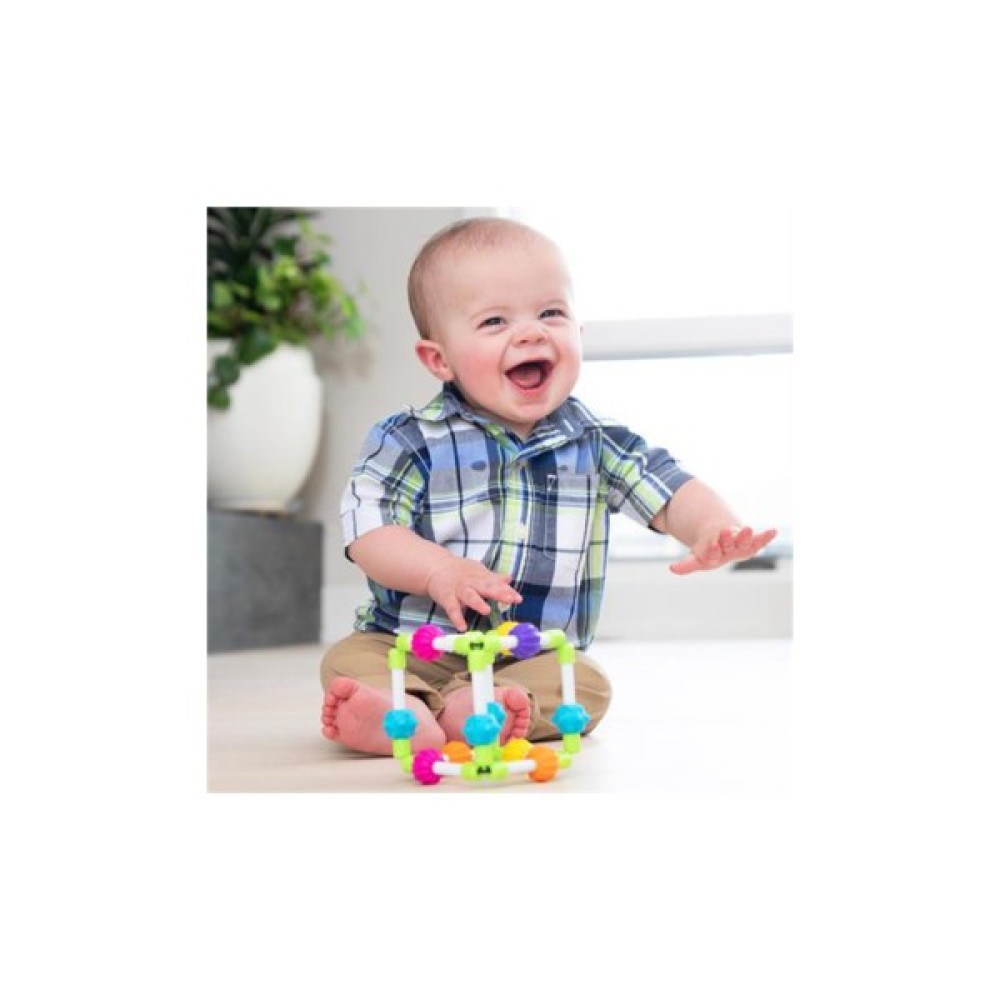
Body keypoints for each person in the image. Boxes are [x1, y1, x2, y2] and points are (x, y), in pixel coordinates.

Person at [320, 217, 777, 755]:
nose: (531, 333)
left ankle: (466, 709)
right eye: (495, 321)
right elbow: (369, 531)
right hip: (413, 643)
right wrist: (439, 570)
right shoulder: (410, 439)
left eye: (551, 313)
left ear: (578, 333)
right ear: (439, 359)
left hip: (527, 655)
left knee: (586, 684)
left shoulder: (598, 443)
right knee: (349, 659)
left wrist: (712, 528)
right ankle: (403, 704)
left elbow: (671, 489)